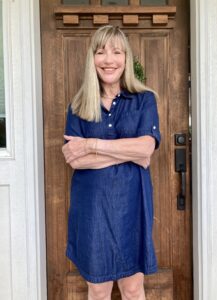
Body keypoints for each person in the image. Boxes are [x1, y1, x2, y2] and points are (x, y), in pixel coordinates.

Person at [62, 25, 161, 300]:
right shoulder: (78, 105)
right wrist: (126, 151)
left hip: (133, 205)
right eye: (101, 52)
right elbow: (75, 159)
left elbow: (145, 150)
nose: (109, 60)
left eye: (117, 52)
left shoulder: (144, 100)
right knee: (98, 288)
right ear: (91, 59)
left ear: (126, 59)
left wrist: (91, 145)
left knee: (132, 289)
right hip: (92, 207)